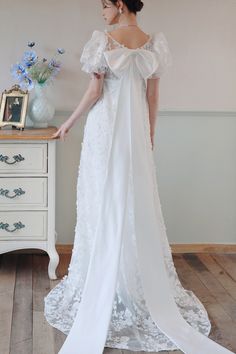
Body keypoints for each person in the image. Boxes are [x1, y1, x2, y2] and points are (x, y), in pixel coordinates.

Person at [44, 1, 235, 353]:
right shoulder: (152, 43)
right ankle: (128, 283)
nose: (101, 13)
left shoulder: (103, 40)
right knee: (133, 203)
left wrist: (68, 123)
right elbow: (153, 96)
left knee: (103, 200)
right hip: (134, 134)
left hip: (106, 130)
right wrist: (149, 136)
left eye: (104, 5)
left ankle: (108, 282)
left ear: (119, 5)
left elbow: (94, 92)